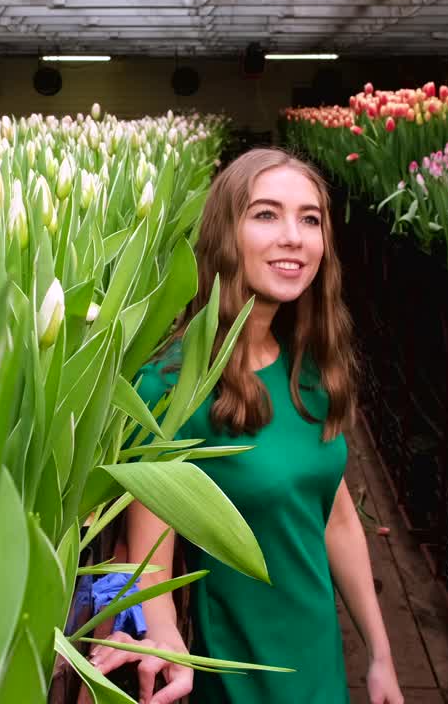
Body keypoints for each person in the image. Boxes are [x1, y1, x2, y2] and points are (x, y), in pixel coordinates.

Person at [89, 148, 404, 704]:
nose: (294, 236)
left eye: (310, 219)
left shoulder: (311, 368)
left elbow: (334, 517)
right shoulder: (170, 388)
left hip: (318, 662)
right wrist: (165, 643)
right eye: (266, 214)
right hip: (238, 675)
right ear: (224, 234)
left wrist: (379, 656)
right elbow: (150, 563)